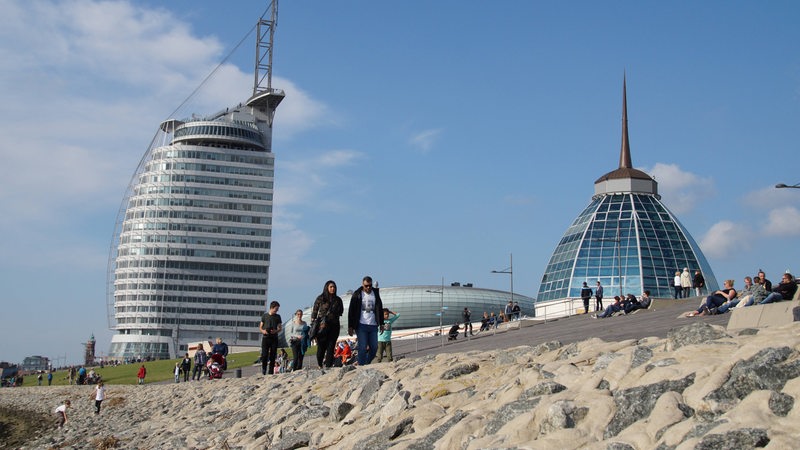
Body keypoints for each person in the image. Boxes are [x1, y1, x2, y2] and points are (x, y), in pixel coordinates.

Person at [348, 276, 385, 366]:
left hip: (373, 324)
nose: (368, 287)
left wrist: (381, 323)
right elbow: (351, 310)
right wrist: (350, 326)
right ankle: (361, 365)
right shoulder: (357, 294)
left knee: (374, 347)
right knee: (362, 347)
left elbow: (379, 308)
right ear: (362, 285)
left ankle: (367, 363)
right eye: (366, 286)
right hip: (361, 325)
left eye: (370, 285)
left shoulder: (375, 293)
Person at [312, 280, 344, 369]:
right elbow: (314, 311)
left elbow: (341, 311)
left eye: (334, 287)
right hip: (322, 325)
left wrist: (334, 313)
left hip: (334, 325)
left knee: (331, 346)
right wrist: (314, 325)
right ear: (327, 287)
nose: (333, 288)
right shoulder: (320, 298)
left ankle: (328, 366)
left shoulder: (338, 299)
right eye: (331, 287)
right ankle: (319, 364)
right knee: (321, 347)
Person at [259, 301, 282, 375]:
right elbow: (260, 327)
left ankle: (271, 371)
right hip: (266, 338)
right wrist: (263, 331)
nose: (277, 310)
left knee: (273, 355)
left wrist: (275, 331)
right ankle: (264, 369)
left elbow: (280, 328)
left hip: (274, 338)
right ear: (272, 308)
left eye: (277, 309)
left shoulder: (278, 317)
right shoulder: (265, 316)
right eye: (276, 308)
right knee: (264, 355)